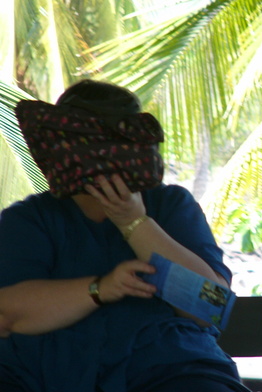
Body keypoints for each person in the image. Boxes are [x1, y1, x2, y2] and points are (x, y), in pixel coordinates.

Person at [0, 80, 249, 392]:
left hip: (169, 367)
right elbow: (7, 313)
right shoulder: (31, 219)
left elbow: (210, 306)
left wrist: (134, 223)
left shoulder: (171, 206)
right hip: (43, 373)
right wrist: (100, 289)